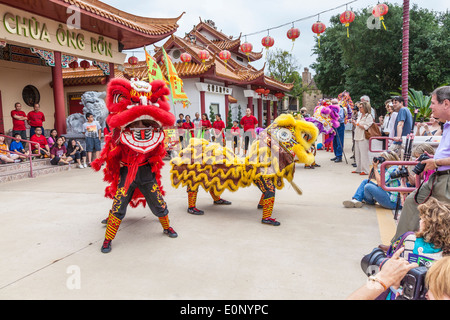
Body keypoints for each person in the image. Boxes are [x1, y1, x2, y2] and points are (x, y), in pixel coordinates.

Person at [390, 86, 450, 243]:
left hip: (446, 180)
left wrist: (436, 162)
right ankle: (399, 244)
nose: (430, 107)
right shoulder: (447, 125)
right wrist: (433, 158)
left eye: (434, 103)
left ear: (446, 104)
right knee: (412, 202)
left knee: (443, 218)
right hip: (438, 177)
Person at [351, 101, 373, 175]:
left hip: (363, 137)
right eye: (359, 107)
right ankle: (359, 168)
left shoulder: (369, 116)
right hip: (357, 136)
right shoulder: (360, 116)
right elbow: (357, 126)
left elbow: (366, 126)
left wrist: (357, 123)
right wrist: (354, 123)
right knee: (357, 154)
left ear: (365, 108)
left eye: (361, 107)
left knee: (364, 154)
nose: (359, 109)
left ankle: (365, 170)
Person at [330, 98, 346, 163]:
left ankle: (339, 156)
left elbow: (341, 118)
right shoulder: (331, 109)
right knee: (334, 141)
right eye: (332, 103)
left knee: (339, 141)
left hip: (340, 126)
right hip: (334, 126)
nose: (333, 105)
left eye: (334, 103)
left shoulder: (341, 109)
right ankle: (336, 155)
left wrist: (335, 116)